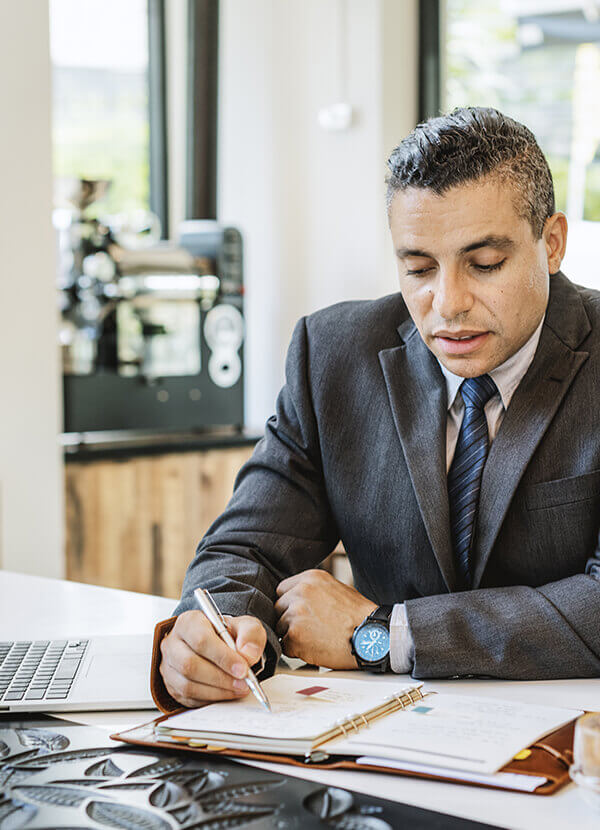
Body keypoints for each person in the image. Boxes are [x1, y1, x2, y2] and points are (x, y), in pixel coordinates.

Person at [152, 107, 600, 712]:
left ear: (551, 243)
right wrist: (217, 631)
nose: (447, 303)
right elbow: (248, 547)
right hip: (382, 739)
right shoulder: (333, 356)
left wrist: (386, 634)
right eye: (418, 267)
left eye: (485, 264)